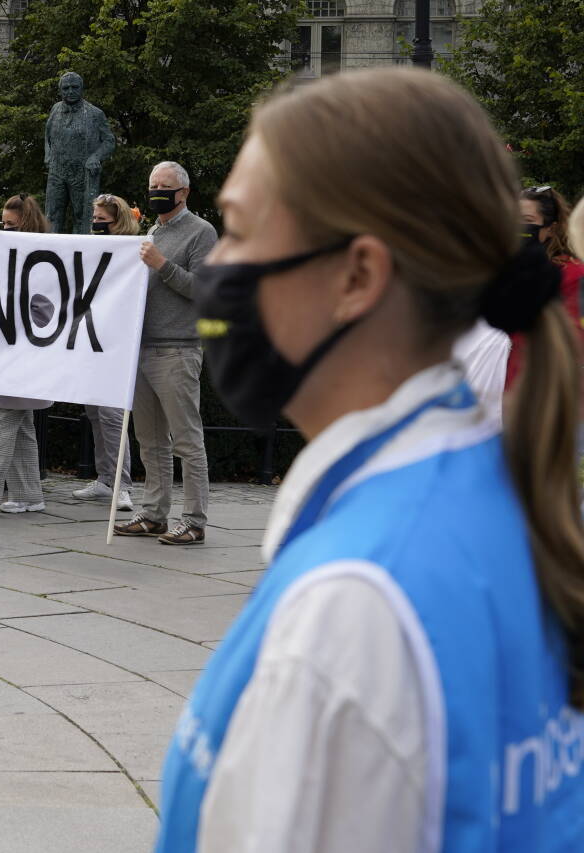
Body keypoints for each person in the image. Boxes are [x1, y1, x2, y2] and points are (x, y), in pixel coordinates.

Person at [157, 68, 584, 852]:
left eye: (244, 230)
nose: (219, 270)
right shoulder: (504, 492)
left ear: (357, 275)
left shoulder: (350, 608)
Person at [114, 162, 217, 545]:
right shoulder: (153, 231)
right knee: (151, 440)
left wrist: (163, 265)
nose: (158, 191)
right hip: (143, 348)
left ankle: (193, 520)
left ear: (184, 192)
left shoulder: (202, 232)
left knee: (187, 440)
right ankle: (154, 514)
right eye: (153, 185)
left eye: (165, 186)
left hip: (177, 349)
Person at [0, 194, 55, 516]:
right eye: (3, 223)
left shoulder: (36, 262)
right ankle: (28, 494)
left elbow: (43, 312)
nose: (5, 229)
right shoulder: (28, 256)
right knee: (20, 429)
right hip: (21, 359)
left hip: (19, 358)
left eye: (10, 224)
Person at [73, 194, 136, 511]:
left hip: (116, 345)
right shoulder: (93, 247)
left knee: (113, 417)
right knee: (96, 414)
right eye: (94, 218)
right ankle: (104, 478)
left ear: (117, 220)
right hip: (93, 340)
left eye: (101, 219)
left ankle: (122, 485)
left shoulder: (131, 252)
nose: (95, 224)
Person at [505, 186, 584, 387]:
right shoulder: (504, 271)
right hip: (501, 390)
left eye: (528, 221)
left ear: (551, 228)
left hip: (543, 389)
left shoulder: (572, 275)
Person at [44, 72, 115, 234]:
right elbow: (47, 135)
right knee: (52, 214)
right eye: (66, 88)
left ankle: (80, 253)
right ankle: (48, 249)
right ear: (60, 90)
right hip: (57, 171)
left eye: (74, 87)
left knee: (82, 216)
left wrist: (96, 157)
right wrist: (47, 154)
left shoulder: (94, 114)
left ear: (81, 88)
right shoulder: (55, 109)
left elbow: (109, 141)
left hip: (81, 172)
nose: (70, 91)